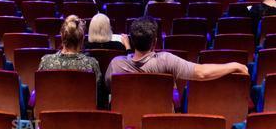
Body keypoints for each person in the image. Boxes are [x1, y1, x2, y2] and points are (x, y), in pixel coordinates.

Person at [105, 17, 248, 90]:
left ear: (131, 41)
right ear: (155, 42)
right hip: (160, 121)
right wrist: (234, 65)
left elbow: (110, 89)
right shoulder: (165, 60)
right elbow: (201, 73)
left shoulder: (116, 64)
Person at [38, 15, 101, 84]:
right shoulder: (92, 64)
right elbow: (97, 92)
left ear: (61, 36)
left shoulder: (46, 61)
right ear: (82, 39)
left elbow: (40, 90)